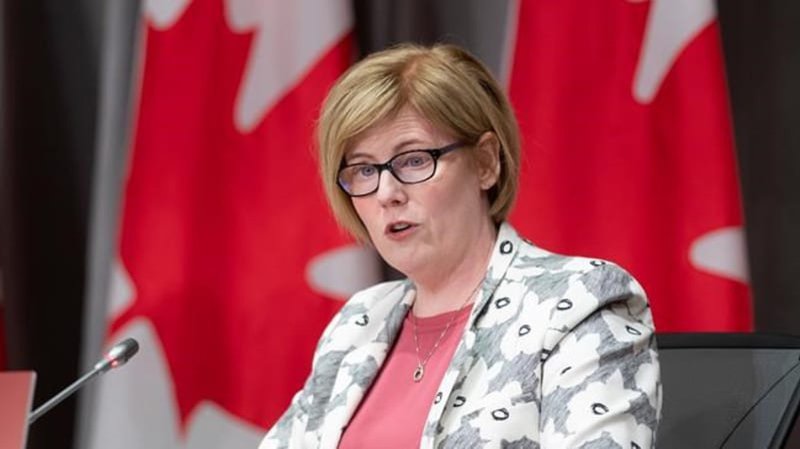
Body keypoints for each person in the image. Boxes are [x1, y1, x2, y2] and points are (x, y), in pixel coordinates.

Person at [260, 43, 660, 449]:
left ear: (485, 162)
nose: (386, 193)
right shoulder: (358, 324)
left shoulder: (577, 302)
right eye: (364, 170)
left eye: (413, 160)